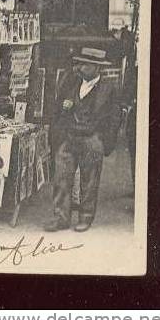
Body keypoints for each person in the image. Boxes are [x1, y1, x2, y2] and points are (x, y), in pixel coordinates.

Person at [44, 47, 120, 233]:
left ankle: (85, 218)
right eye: (78, 63)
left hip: (92, 139)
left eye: (84, 65)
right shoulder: (70, 82)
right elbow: (57, 108)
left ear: (97, 67)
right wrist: (59, 130)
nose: (79, 67)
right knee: (61, 178)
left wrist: (103, 143)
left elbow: (115, 119)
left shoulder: (109, 89)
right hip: (68, 137)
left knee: (90, 180)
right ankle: (61, 218)